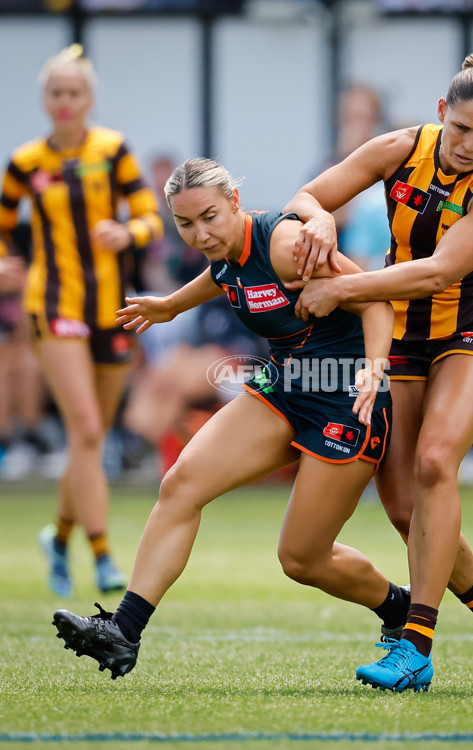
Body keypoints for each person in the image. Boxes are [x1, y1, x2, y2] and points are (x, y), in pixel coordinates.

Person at [51, 156, 412, 682]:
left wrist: (375, 369)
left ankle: (398, 609)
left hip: (346, 397)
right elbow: (222, 275)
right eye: (185, 223)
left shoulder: (286, 245)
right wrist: (171, 306)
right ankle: (122, 632)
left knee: (302, 559)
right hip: (285, 386)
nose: (199, 234)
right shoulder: (223, 253)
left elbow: (375, 300)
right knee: (180, 485)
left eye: (210, 218)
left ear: (236, 204)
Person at [283, 46, 473, 693]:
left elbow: (440, 271)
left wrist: (347, 289)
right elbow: (310, 195)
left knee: (434, 464)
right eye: (460, 129)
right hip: (403, 337)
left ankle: (415, 647)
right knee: (400, 509)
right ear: (441, 113)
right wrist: (316, 225)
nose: (469, 144)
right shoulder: (397, 148)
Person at [0, 44, 163, 596]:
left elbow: (150, 218)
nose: (65, 101)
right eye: (56, 93)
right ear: (46, 100)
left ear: (88, 98)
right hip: (54, 305)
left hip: (112, 309)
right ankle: (101, 554)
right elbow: (2, 223)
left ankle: (59, 534)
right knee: (88, 431)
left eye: (74, 92)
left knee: (92, 439)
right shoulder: (26, 162)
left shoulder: (113, 151)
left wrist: (128, 233)